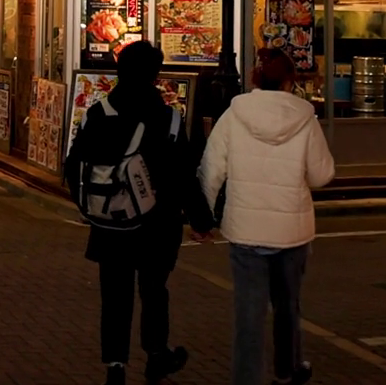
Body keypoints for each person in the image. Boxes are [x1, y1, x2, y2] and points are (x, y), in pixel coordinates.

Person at [66, 41, 213, 385]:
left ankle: (115, 365)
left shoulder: (97, 113)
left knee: (114, 296)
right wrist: (201, 220)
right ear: (154, 75)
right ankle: (156, 355)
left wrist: (90, 206)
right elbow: (183, 174)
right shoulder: (168, 119)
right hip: (157, 224)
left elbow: (74, 166)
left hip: (109, 225)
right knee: (154, 290)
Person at [199, 48, 335, 385]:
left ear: (256, 79)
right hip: (291, 230)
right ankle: (287, 370)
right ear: (290, 81)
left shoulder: (235, 115)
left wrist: (202, 219)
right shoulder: (304, 118)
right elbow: (322, 175)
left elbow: (211, 170)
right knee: (288, 306)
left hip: (246, 232)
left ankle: (247, 379)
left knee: (249, 313)